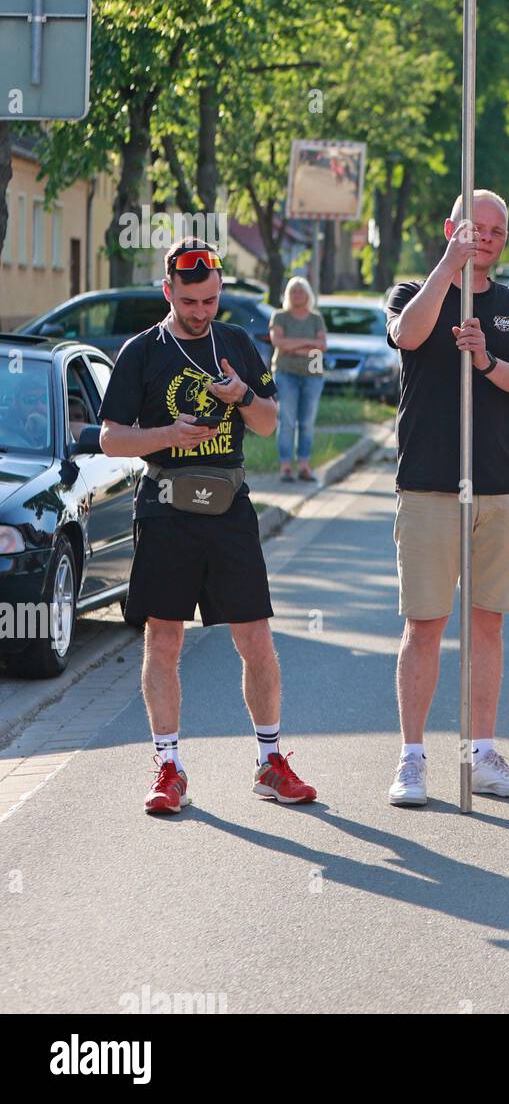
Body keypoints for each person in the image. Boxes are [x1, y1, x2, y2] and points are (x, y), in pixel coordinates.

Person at [99, 238, 317, 815]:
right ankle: (168, 767)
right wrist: (168, 435)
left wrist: (242, 393)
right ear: (168, 291)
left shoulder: (238, 342)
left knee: (257, 641)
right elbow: (112, 437)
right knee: (164, 640)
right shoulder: (140, 352)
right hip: (166, 508)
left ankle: (270, 762)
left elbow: (269, 424)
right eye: (191, 301)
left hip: (229, 510)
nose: (202, 312)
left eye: (211, 300)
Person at [384, 190, 509, 806]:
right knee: (425, 625)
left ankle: (480, 754)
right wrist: (448, 269)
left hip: (501, 487)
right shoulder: (413, 290)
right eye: (474, 228)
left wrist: (486, 360)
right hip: (428, 484)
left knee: (488, 626)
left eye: (496, 230)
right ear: (452, 228)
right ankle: (413, 759)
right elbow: (408, 334)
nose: (486, 237)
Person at [270, 275, 328, 483]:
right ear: (288, 294)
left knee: (307, 422)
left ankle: (304, 465)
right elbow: (279, 343)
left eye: (301, 290)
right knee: (286, 421)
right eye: (293, 291)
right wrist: (307, 343)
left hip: (313, 375)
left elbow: (321, 346)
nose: (297, 294)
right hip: (286, 375)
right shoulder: (280, 316)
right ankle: (286, 466)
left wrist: (293, 345)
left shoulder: (316, 318)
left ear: (308, 294)